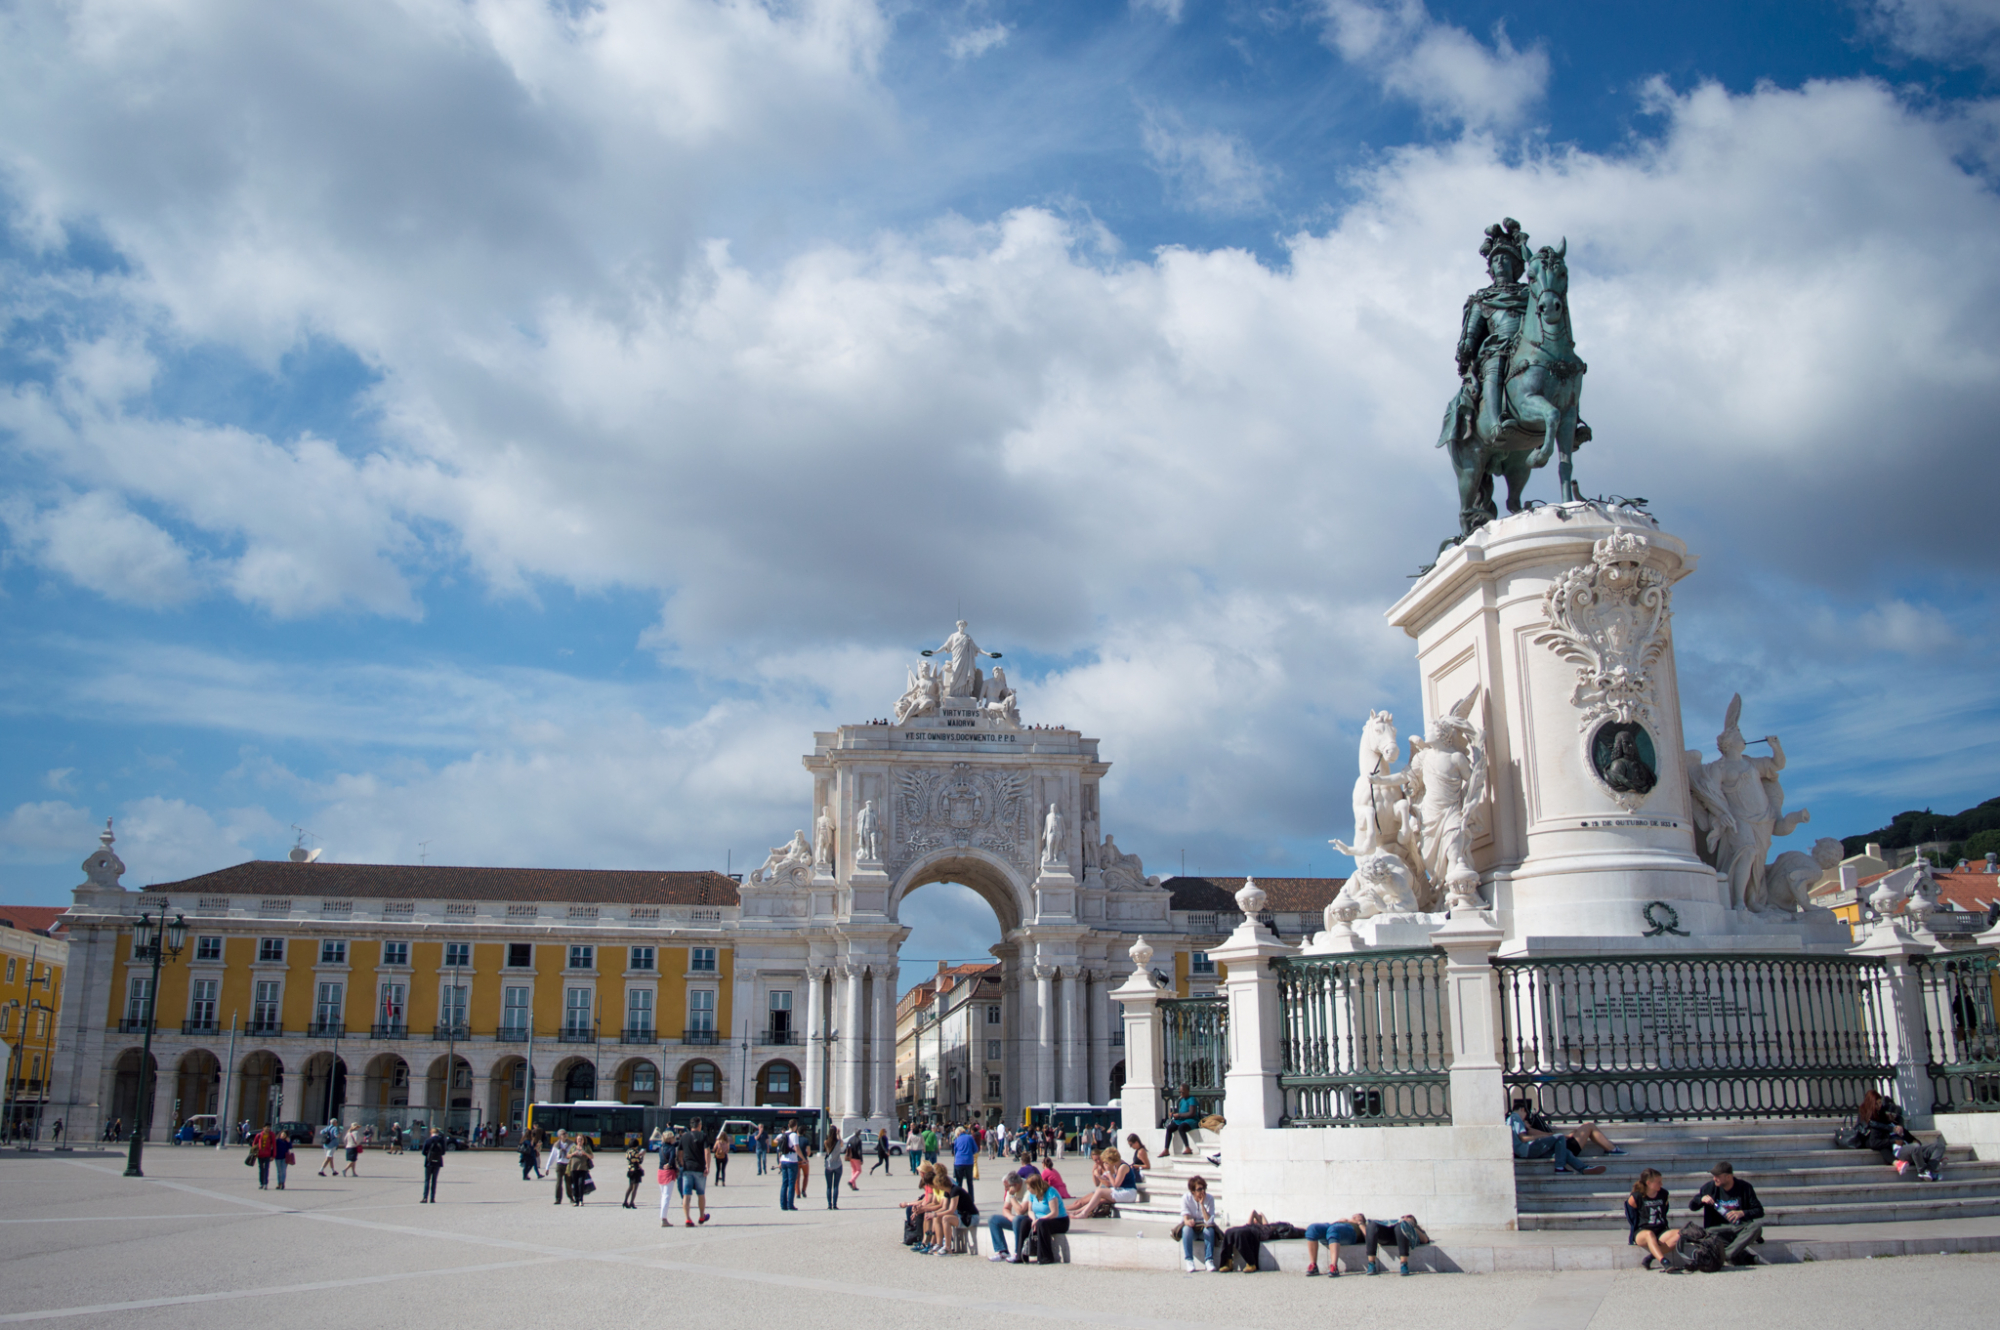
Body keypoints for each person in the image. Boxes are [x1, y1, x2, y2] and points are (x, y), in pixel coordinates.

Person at [1690, 1161, 1766, 1264]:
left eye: (1717, 1176)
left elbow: (1759, 1211)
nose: (1714, 1179)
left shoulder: (1745, 1187)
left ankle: (1726, 1255)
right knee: (1707, 1234)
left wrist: (1742, 1213)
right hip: (1719, 1230)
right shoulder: (1709, 1188)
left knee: (1756, 1227)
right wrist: (1701, 1199)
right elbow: (1692, 1207)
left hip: (1740, 1228)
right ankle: (1742, 1256)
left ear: (1728, 1177)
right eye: (1714, 1176)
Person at [1859, 1090, 1946, 1180]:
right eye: (1889, 1114)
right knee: (1915, 1147)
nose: (1891, 1116)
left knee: (1939, 1146)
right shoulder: (1880, 1127)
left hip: (1912, 1148)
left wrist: (1914, 1140)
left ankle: (1929, 1170)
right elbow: (1874, 1143)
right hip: (1900, 1152)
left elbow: (1910, 1137)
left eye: (1880, 1103)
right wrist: (1894, 1141)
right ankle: (1922, 1172)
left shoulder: (1895, 1124)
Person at [1511, 1098, 1624, 1161]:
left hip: (1561, 1145)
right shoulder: (1529, 1130)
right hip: (1564, 1147)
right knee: (1589, 1126)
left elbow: (1548, 1135)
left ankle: (1611, 1149)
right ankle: (1612, 1149)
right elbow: (1548, 1135)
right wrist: (1566, 1136)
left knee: (1586, 1128)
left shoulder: (1525, 1129)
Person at [1506, 1102, 1604, 1174]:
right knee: (1559, 1136)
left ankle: (1583, 1168)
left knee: (1563, 1152)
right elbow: (1523, 1138)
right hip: (1527, 1149)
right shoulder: (1515, 1117)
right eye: (1525, 1116)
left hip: (1524, 1153)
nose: (1524, 1118)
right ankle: (1559, 1167)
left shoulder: (1509, 1120)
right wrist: (1541, 1137)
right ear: (1522, 1109)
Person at [1625, 1169, 1681, 1270]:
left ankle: (1650, 1258)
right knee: (1649, 1234)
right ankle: (1664, 1262)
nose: (1661, 1184)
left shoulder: (1663, 1194)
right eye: (1658, 1182)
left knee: (1680, 1233)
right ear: (1648, 1183)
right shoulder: (1636, 1197)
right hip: (1642, 1232)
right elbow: (1631, 1216)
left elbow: (1664, 1211)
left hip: (1660, 1230)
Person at [1024, 1173, 1069, 1266]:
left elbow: (1054, 1213)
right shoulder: (1032, 1194)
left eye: (1029, 1188)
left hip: (1059, 1220)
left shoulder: (1050, 1192)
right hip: (1039, 1219)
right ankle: (1022, 1255)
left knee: (1041, 1224)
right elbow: (1030, 1211)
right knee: (1023, 1222)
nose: (1028, 1190)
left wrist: (1038, 1220)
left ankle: (1046, 1257)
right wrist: (1034, 1219)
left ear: (1035, 1187)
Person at [988, 1173, 1031, 1262]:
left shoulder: (1027, 1188)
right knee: (993, 1219)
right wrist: (1011, 1217)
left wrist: (1012, 1196)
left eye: (1007, 1187)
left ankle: (1017, 1253)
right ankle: (1002, 1251)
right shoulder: (1010, 1190)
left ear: (1015, 1185)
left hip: (1028, 1220)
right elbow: (1005, 1209)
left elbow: (1021, 1211)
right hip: (1016, 1220)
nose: (1005, 1189)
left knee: (1017, 1219)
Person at [679, 1117, 713, 1225]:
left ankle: (687, 1219)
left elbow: (679, 1153)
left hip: (687, 1169)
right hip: (699, 1169)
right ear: (699, 1125)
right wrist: (707, 1166)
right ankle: (702, 1216)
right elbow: (707, 1152)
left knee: (686, 1194)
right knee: (701, 1194)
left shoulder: (684, 1137)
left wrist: (682, 1164)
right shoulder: (703, 1136)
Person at [1179, 1175, 1217, 1273]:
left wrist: (1202, 1204)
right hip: (1192, 1229)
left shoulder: (1209, 1199)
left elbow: (1209, 1221)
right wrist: (1189, 1222)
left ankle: (1209, 1260)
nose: (1202, 1192)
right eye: (1199, 1189)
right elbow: (1185, 1220)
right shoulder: (1186, 1198)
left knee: (1210, 1230)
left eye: (1204, 1188)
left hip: (1204, 1229)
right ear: (1193, 1191)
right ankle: (1189, 1260)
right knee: (1186, 1229)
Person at [1164, 1085, 1200, 1156]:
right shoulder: (1181, 1100)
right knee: (1169, 1128)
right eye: (1180, 1092)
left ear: (1187, 1091)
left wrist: (1179, 1115)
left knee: (1181, 1127)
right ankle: (1166, 1149)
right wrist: (1174, 1114)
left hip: (1191, 1120)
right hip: (1181, 1119)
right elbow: (1180, 1111)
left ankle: (1187, 1147)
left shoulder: (1191, 1099)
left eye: (1183, 1092)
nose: (1181, 1094)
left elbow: (1191, 1113)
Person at [420, 1126, 448, 1202]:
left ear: (431, 1133)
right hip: (438, 1162)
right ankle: (432, 1198)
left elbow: (423, 1152)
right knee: (434, 1180)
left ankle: (425, 1198)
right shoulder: (441, 1141)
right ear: (438, 1133)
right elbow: (443, 1152)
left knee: (427, 1180)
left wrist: (428, 1155)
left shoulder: (428, 1141)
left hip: (429, 1162)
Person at [951, 1123, 977, 1202]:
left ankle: (958, 1201)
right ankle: (971, 1200)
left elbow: (955, 1151)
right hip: (969, 1162)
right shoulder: (970, 1137)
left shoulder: (957, 1140)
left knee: (959, 1182)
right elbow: (975, 1149)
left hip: (959, 1162)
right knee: (969, 1182)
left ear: (958, 1133)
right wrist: (969, 1153)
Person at [777, 1120, 800, 1210]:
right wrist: (803, 1158)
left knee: (784, 1183)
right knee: (791, 1183)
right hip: (792, 1161)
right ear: (795, 1126)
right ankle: (790, 1205)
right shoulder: (794, 1135)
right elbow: (796, 1148)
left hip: (783, 1160)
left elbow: (780, 1150)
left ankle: (783, 1205)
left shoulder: (783, 1134)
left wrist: (779, 1162)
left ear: (788, 1125)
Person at [823, 1127, 845, 1209]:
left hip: (829, 1165)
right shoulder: (839, 1142)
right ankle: (835, 1204)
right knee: (836, 1186)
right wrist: (838, 1134)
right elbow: (842, 1144)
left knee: (829, 1186)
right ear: (835, 1132)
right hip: (838, 1164)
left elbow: (827, 1151)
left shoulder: (826, 1142)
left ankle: (829, 1204)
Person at [566, 1140, 594, 1205]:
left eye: (581, 1139)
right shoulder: (573, 1147)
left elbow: (591, 1156)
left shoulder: (586, 1147)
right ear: (576, 1140)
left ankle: (581, 1200)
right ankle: (576, 1200)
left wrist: (585, 1153)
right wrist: (573, 1153)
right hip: (574, 1168)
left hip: (583, 1168)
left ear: (583, 1141)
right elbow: (567, 1156)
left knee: (581, 1184)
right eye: (578, 1139)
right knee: (575, 1185)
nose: (579, 1141)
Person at [549, 1131, 572, 1205]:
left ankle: (571, 1197)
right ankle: (558, 1199)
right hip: (560, 1165)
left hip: (568, 1165)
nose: (565, 1135)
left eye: (566, 1133)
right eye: (563, 1134)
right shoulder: (556, 1145)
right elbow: (552, 1156)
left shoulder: (571, 1144)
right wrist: (547, 1167)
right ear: (559, 1136)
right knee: (559, 1183)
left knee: (568, 1183)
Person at [253, 1123, 278, 1189]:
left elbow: (274, 1145)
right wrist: (254, 1153)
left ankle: (266, 1183)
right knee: (261, 1169)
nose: (268, 1128)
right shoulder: (258, 1135)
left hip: (267, 1155)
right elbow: (254, 1144)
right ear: (263, 1128)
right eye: (266, 1127)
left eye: (269, 1127)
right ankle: (261, 1183)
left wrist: (273, 1155)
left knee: (266, 1169)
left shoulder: (271, 1135)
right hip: (260, 1155)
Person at [623, 1139, 646, 1208]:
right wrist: (642, 1155)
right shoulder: (635, 1152)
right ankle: (631, 1202)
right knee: (635, 1188)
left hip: (630, 1170)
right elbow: (639, 1161)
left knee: (630, 1187)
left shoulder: (628, 1151)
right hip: (636, 1171)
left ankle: (625, 1201)